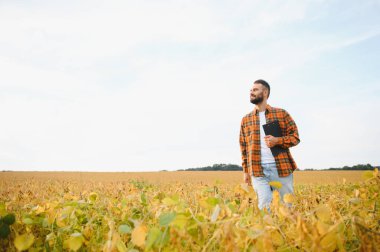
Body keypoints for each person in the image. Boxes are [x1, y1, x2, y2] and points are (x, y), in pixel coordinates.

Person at [239, 79, 300, 210]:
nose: (251, 92)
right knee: (264, 204)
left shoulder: (281, 114)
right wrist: (245, 171)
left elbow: (295, 138)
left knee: (286, 206)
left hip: (280, 168)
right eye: (250, 90)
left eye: (255, 90)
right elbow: (243, 147)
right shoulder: (246, 119)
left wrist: (277, 140)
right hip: (257, 169)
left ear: (265, 92)